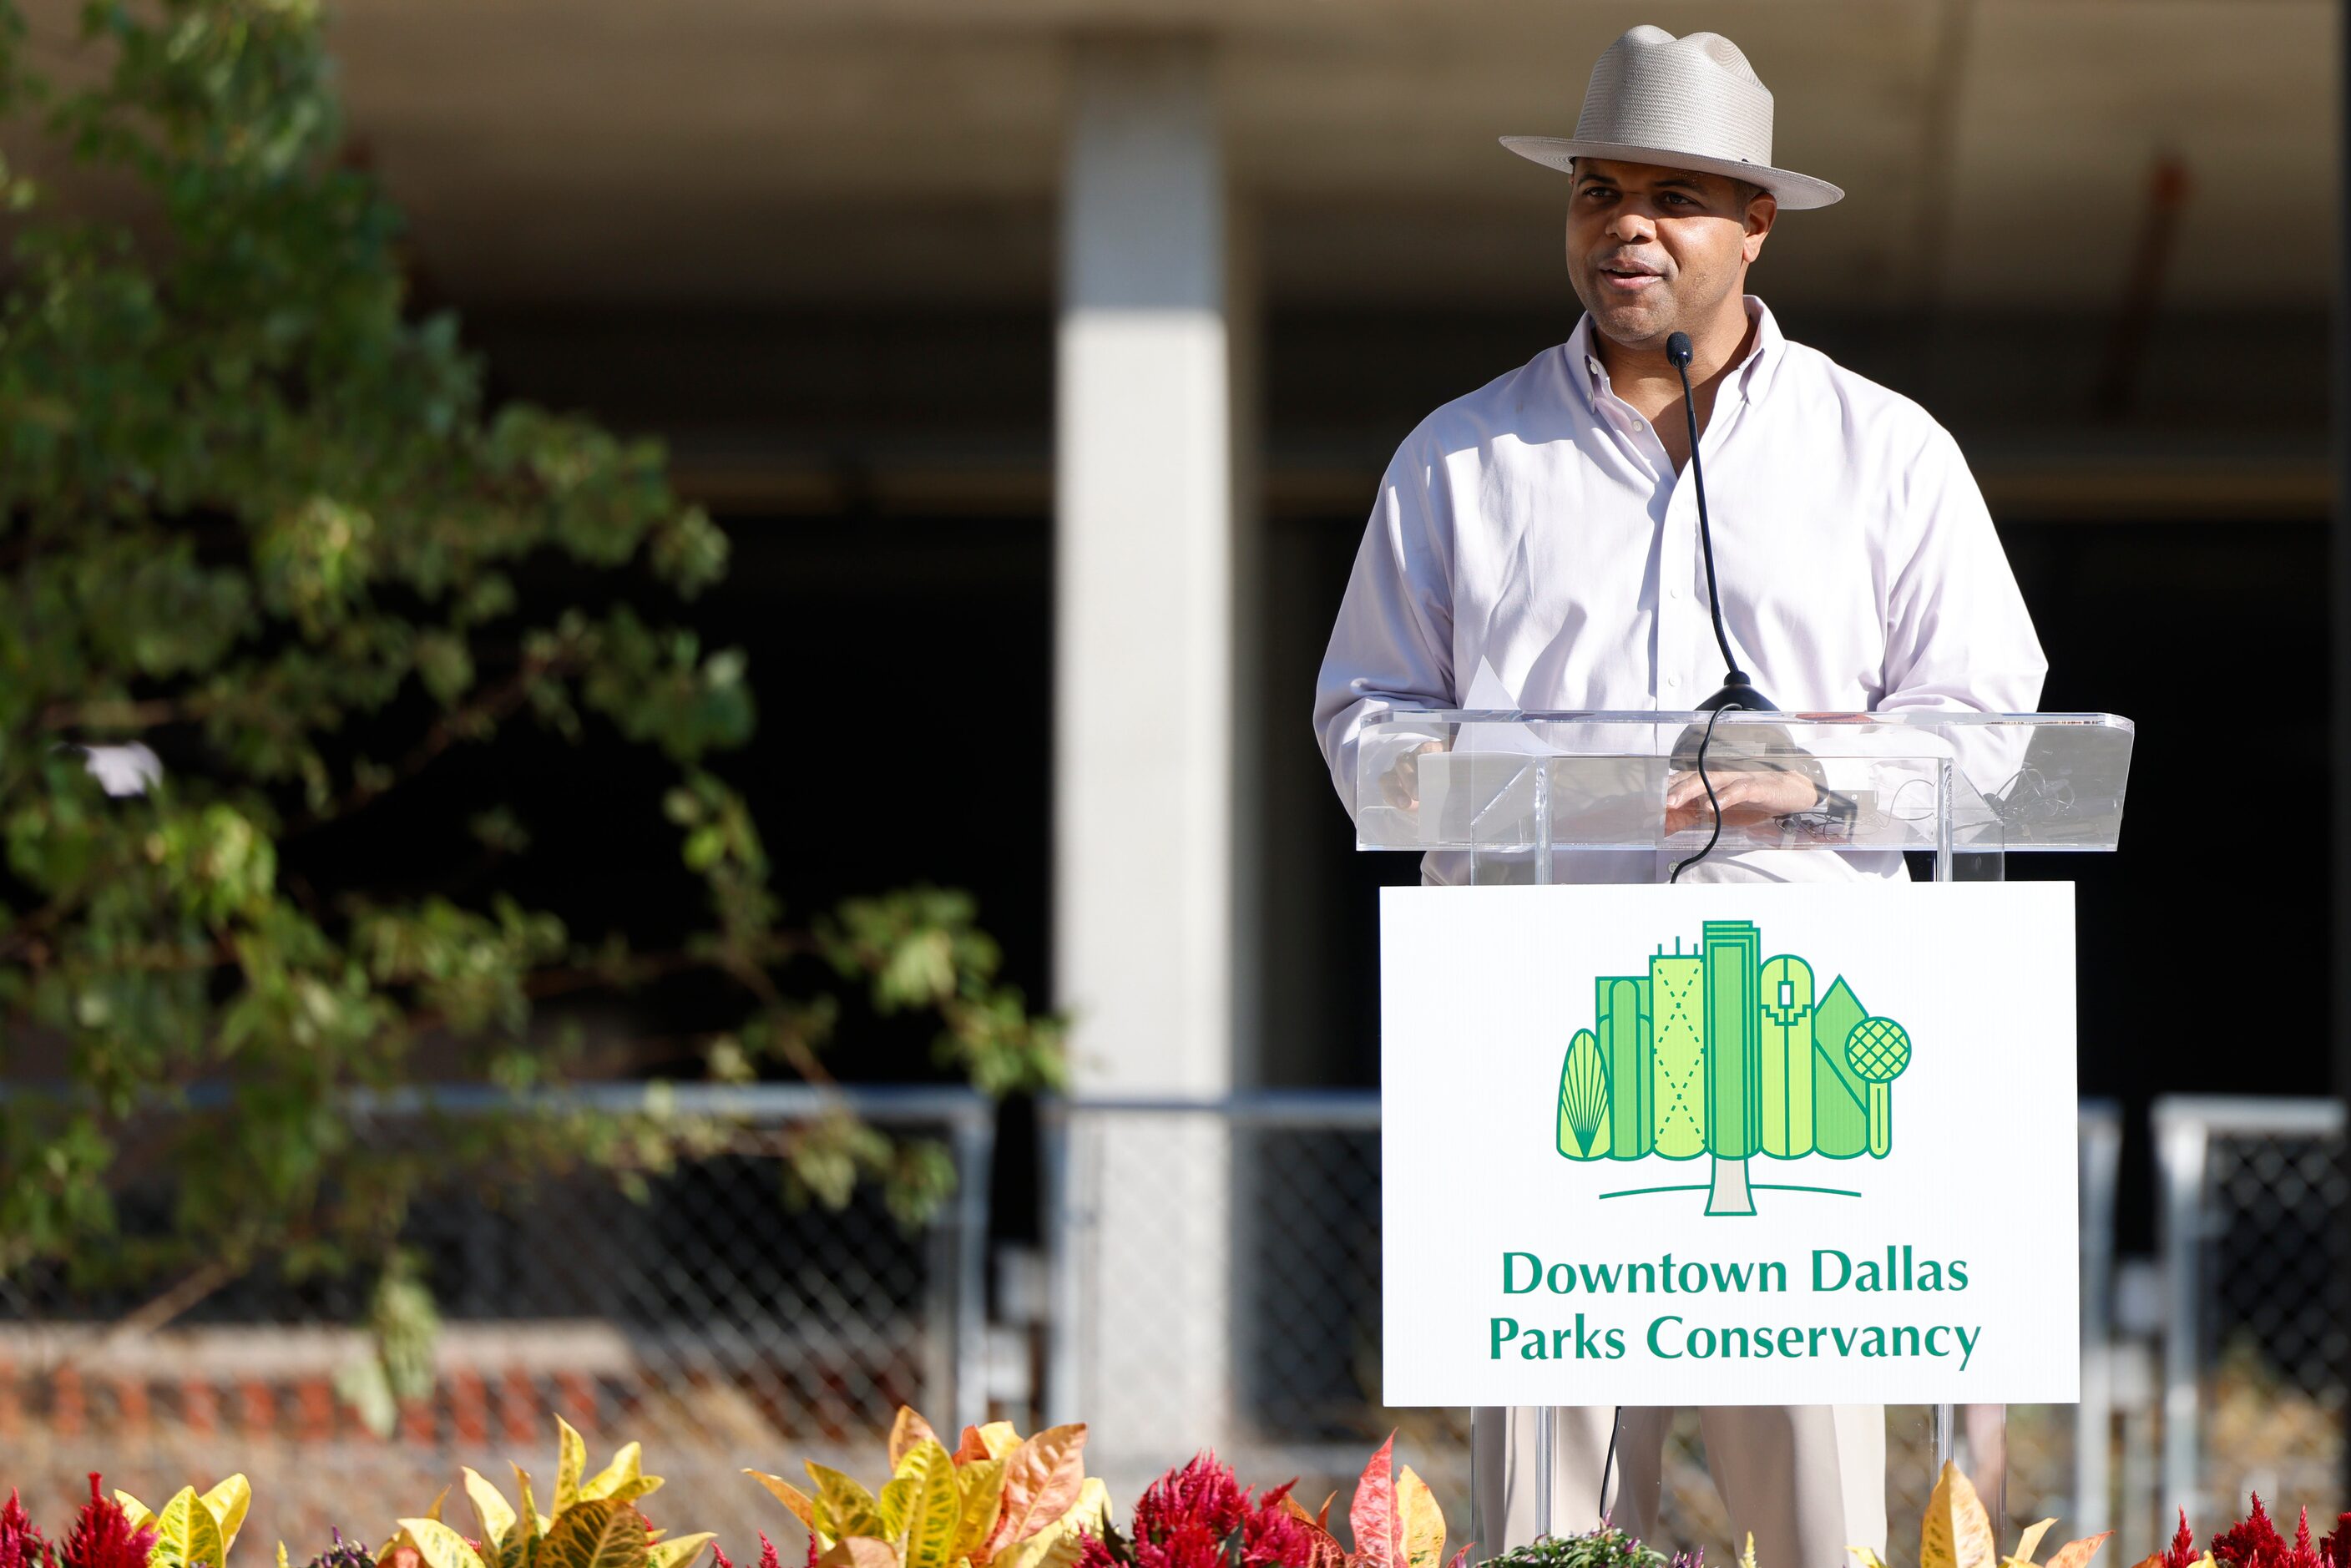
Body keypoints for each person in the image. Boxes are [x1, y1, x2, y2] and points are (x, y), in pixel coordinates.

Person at [1310, 23, 2046, 1568]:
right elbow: (1365, 727)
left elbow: (1989, 731)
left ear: (1756, 224)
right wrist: (1575, 791)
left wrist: (1813, 778)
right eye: (1597, 190)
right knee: (1551, 1518)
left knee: (1819, 1519)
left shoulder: (1886, 452)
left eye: (1674, 195)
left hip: (1807, 1043)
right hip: (1538, 1034)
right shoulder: (1462, 460)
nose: (1625, 225)